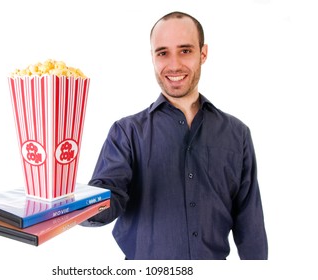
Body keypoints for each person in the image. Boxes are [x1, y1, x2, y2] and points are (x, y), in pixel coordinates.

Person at [83, 11, 268, 260]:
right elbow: (109, 195)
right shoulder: (126, 132)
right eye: (162, 53)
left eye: (185, 51)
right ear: (152, 57)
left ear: (203, 54)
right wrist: (74, 206)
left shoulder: (237, 134)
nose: (174, 65)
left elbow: (250, 223)